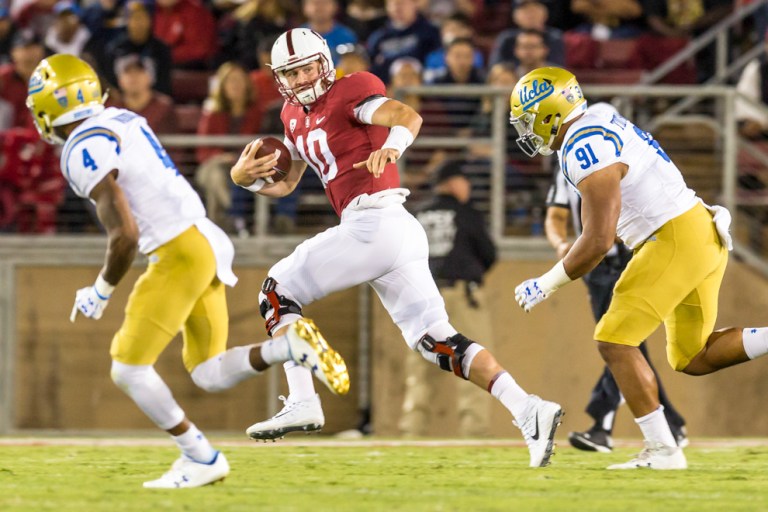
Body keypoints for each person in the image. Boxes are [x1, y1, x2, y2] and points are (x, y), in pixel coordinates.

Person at [231, 28, 563, 468]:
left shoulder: (352, 90)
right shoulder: (293, 116)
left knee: (276, 292)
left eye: (307, 67)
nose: (300, 78)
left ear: (325, 64)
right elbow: (289, 182)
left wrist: (390, 149)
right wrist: (242, 178)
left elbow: (407, 117)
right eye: (290, 72)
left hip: (376, 221)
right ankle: (529, 409)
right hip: (391, 233)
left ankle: (302, 398)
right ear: (278, 77)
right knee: (435, 340)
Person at [26, 53, 350, 487]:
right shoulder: (122, 117)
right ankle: (287, 347)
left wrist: (101, 290)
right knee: (208, 371)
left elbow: (125, 233)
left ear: (50, 108)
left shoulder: (82, 147)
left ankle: (200, 457)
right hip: (207, 240)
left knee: (127, 368)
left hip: (179, 251)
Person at [510, 66, 768, 470]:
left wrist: (546, 283)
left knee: (614, 340)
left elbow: (597, 241)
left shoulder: (583, 145)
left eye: (529, 120)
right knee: (693, 357)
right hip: (699, 231)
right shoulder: (595, 119)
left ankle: (663, 450)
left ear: (550, 113)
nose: (526, 131)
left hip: (673, 238)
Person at [543, 103, 687, 453]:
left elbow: (614, 218)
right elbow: (555, 217)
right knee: (624, 344)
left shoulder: (607, 158)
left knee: (620, 343)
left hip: (625, 256)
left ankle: (602, 425)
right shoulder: (571, 163)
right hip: (593, 266)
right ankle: (671, 426)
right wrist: (563, 245)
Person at [399, 159, 497, 438]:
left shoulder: (416, 214)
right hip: (461, 295)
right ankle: (474, 432)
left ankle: (412, 431)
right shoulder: (467, 213)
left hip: (422, 300)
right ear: (453, 183)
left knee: (419, 370)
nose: (467, 187)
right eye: (464, 181)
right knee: (474, 363)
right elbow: (488, 254)